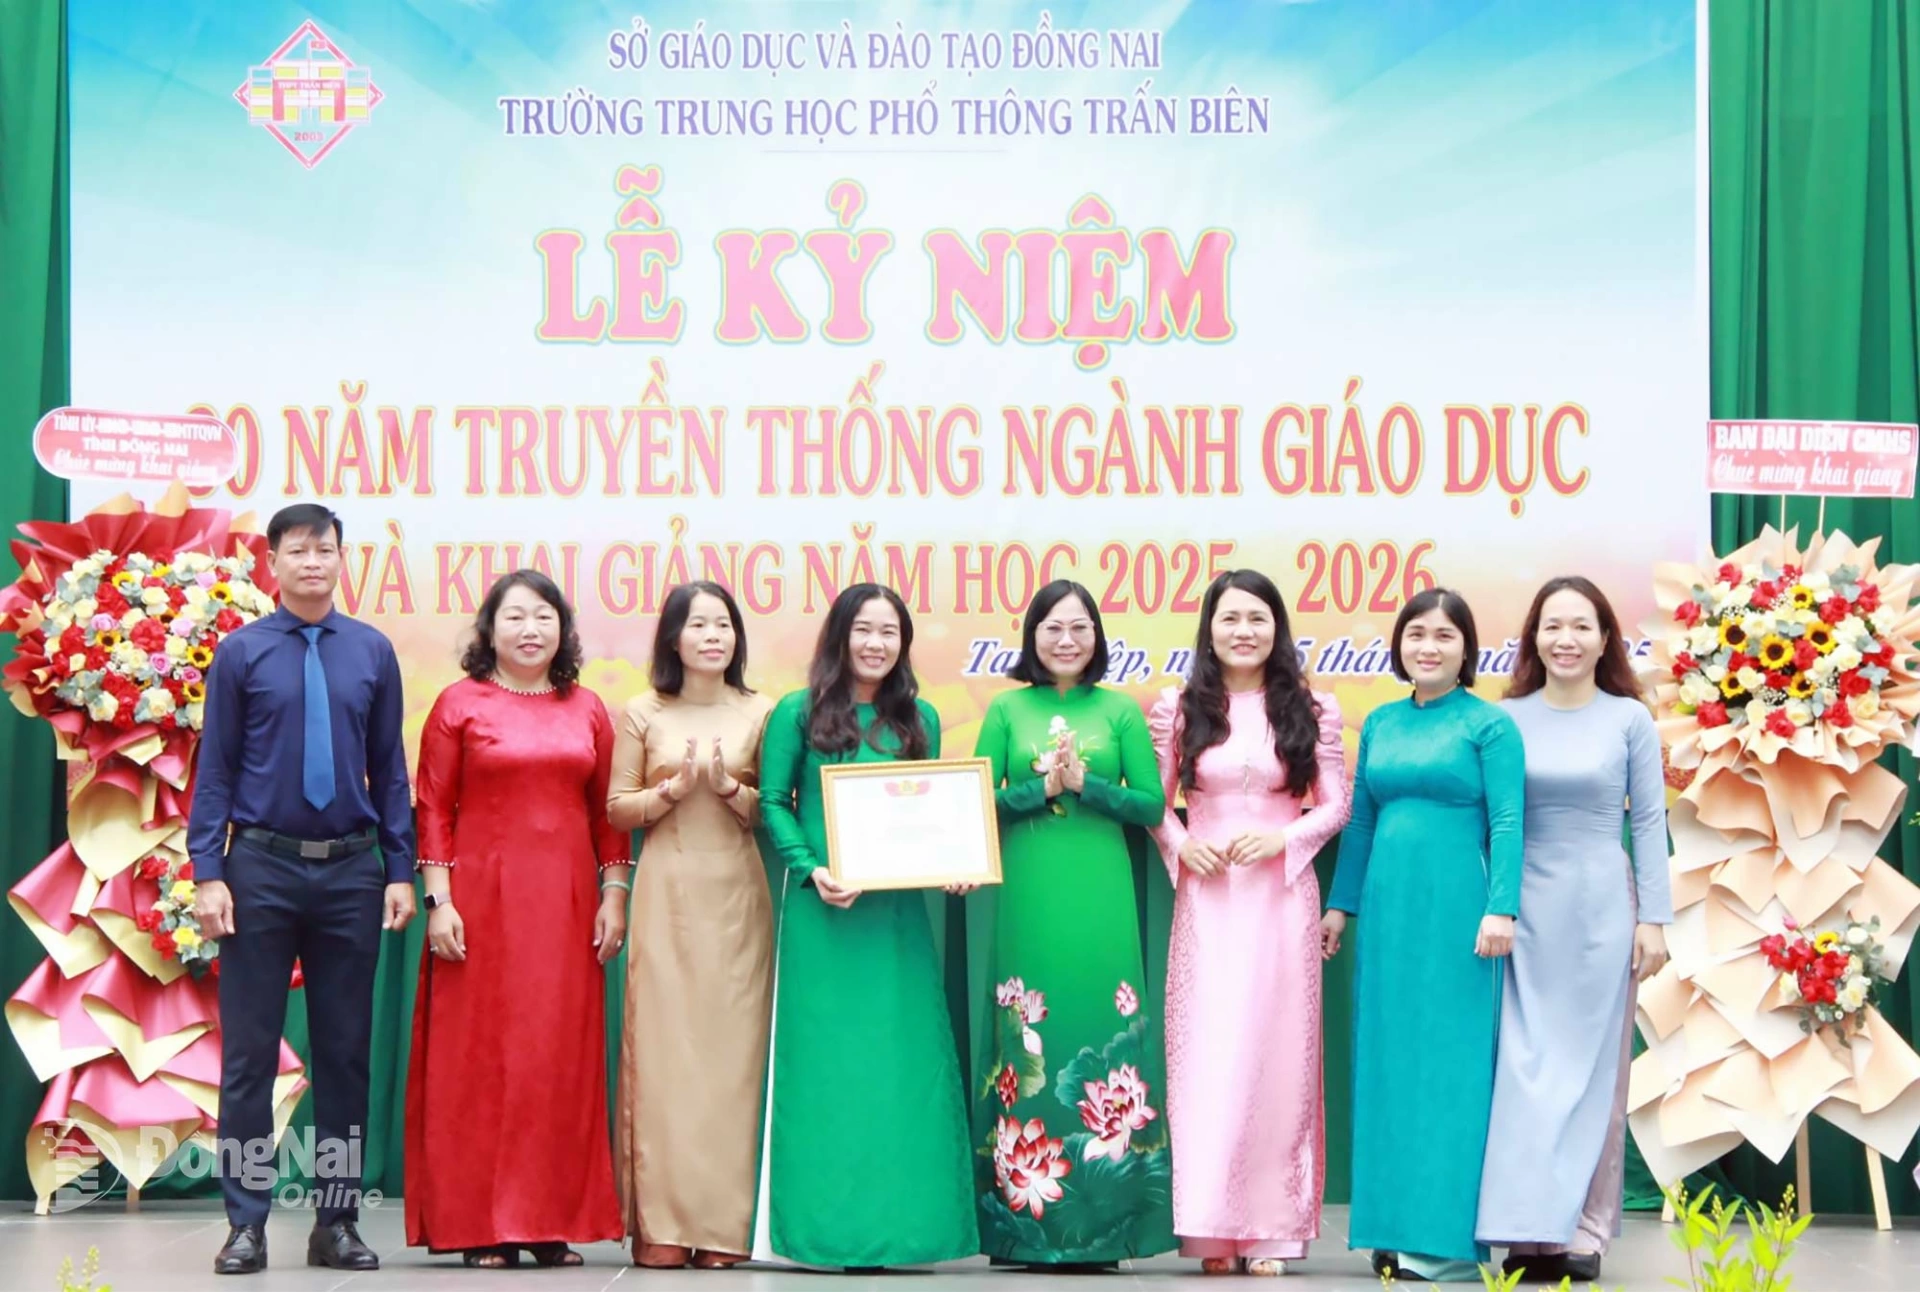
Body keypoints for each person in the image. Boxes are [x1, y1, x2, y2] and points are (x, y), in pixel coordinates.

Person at [189, 504, 417, 1275]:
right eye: (298, 550)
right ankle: (245, 1224)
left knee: (346, 1053)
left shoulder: (371, 652)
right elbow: (214, 771)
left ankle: (337, 1222)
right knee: (250, 1053)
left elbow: (389, 771)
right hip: (261, 868)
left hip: (352, 870)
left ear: (342, 559)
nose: (313, 562)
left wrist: (398, 870)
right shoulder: (242, 653)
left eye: (326, 549)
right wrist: (208, 870)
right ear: (274, 563)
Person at [402, 570, 628, 1268]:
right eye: (515, 617)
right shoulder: (458, 704)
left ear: (563, 629)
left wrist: (614, 893)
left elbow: (606, 814)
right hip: (479, 903)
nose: (531, 630)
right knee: (481, 1063)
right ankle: (479, 1225)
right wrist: (439, 902)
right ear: (489, 629)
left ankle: (549, 1220)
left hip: (565, 907)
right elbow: (432, 808)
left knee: (555, 1061)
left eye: (544, 617)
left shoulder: (587, 707)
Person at [753, 583, 976, 1269]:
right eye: (864, 630)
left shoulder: (921, 717)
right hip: (824, 914)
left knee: (899, 1070)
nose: (877, 643)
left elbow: (934, 810)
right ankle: (824, 1229)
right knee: (826, 1072)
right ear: (840, 635)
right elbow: (772, 802)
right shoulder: (798, 711)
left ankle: (906, 1230)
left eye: (890, 632)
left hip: (896, 923)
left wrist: (953, 861)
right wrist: (810, 867)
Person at [1147, 571, 1350, 1276]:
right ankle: (1210, 1230)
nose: (1243, 631)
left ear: (1278, 627)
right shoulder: (1179, 708)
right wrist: (1181, 843)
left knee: (1278, 1057)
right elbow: (1153, 800)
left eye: (1257, 618)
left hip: (1279, 900)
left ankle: (1272, 1231)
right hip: (1207, 902)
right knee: (1208, 1058)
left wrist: (1283, 839)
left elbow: (1336, 804)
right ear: (1208, 628)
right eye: (1230, 618)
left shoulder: (1311, 708)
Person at [1321, 587, 1524, 1283]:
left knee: (1449, 1069)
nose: (1428, 647)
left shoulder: (1489, 727)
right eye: (1416, 634)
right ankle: (1390, 1229)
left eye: (1443, 635)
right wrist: (1340, 906)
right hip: (1388, 911)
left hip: (1460, 913)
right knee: (1388, 1063)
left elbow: (1507, 822)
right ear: (1399, 644)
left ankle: (1443, 1244)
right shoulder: (1377, 723)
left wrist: (1502, 909)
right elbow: (1362, 821)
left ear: (1468, 648)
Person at [969, 579, 1172, 1269]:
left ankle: (1107, 1229)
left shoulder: (1118, 710)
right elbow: (981, 802)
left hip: (1102, 893)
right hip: (1031, 892)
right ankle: (1021, 1231)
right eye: (1052, 628)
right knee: (1028, 1039)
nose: (1066, 639)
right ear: (1031, 636)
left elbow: (1150, 805)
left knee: (1099, 1027)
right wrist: (1042, 790)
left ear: (1097, 637)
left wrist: (1090, 787)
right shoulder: (1006, 708)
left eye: (1079, 628)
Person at [1478, 577, 1672, 1284]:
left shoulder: (1630, 720)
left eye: (1581, 626)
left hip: (1599, 906)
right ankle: (1528, 1229)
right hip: (1519, 908)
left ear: (1604, 638)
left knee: (1594, 1073)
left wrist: (1654, 918)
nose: (1566, 639)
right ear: (1533, 636)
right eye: (1552, 625)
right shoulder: (1504, 719)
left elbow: (1649, 820)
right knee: (1522, 1069)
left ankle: (1584, 1232)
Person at [608, 581, 775, 1269]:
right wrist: (672, 791)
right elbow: (617, 810)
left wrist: (733, 790)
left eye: (724, 624)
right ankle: (663, 1226)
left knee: (731, 1063)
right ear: (672, 637)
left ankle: (726, 1229)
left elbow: (780, 809)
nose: (713, 635)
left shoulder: (765, 711)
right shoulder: (642, 712)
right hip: (666, 895)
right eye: (699, 624)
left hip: (738, 896)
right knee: (666, 1059)